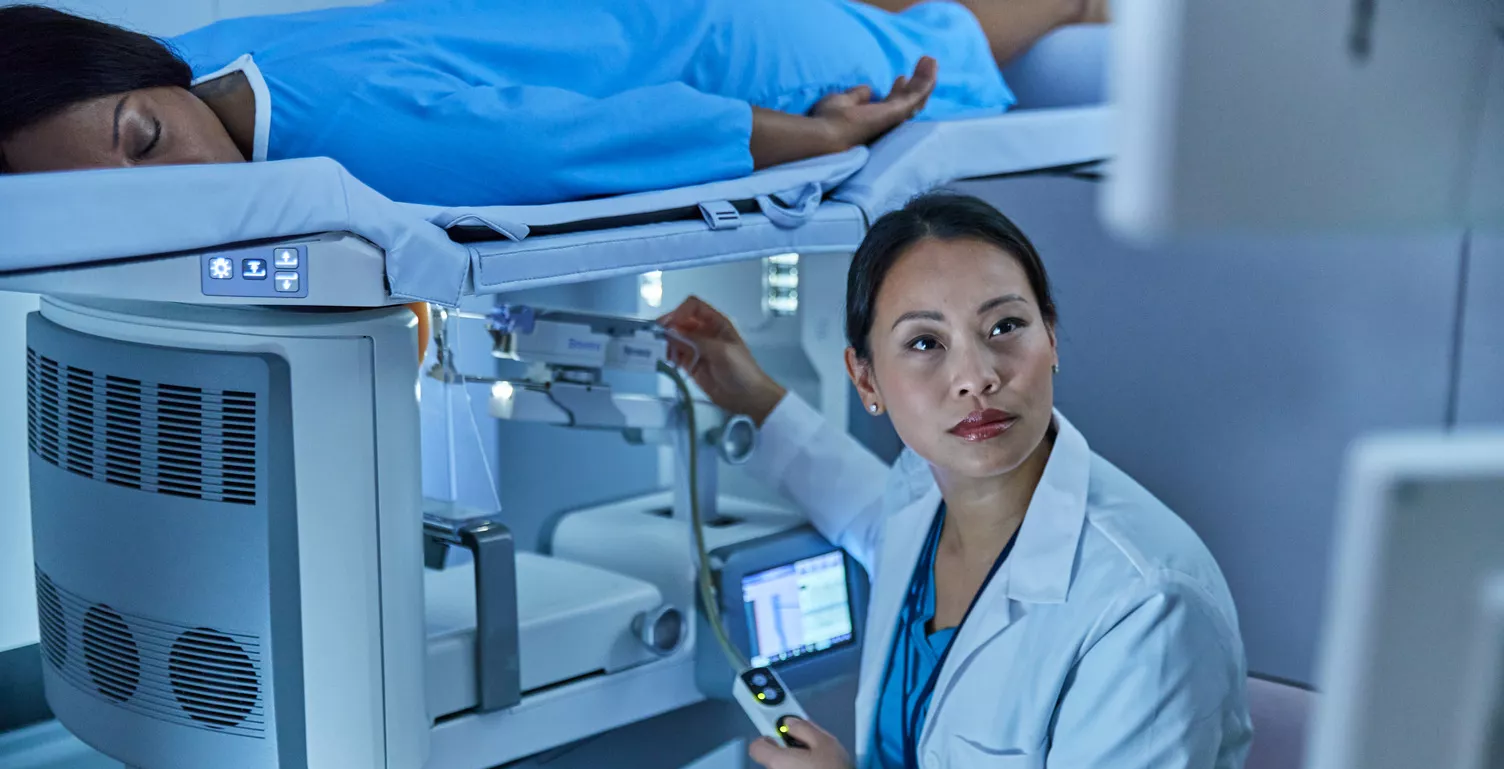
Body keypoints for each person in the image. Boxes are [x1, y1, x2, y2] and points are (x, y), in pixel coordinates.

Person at [658, 193, 1299, 769]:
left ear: (1052, 338)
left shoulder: (1148, 599)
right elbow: (870, 511)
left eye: (1005, 327)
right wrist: (750, 394)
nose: (976, 376)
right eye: (925, 343)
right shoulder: (925, 502)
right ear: (867, 379)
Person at [0, 0, 1104, 206]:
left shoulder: (350, 143)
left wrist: (810, 137)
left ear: (129, 70)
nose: (183, 179)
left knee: (941, 43)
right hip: (660, 19)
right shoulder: (205, 57)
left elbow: (577, 144)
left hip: (729, 59)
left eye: (145, 140)